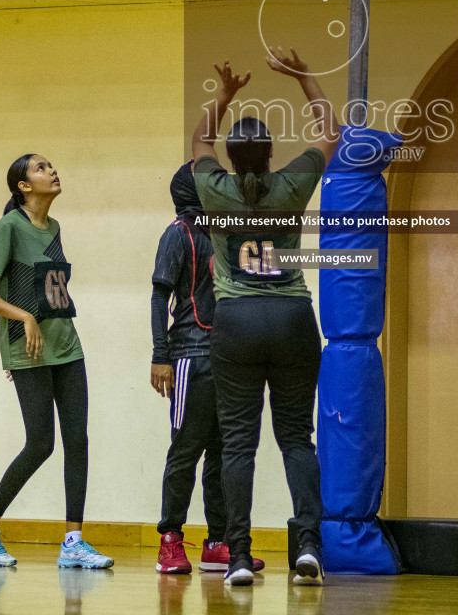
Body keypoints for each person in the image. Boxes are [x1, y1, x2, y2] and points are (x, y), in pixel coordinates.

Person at [190, 49, 339, 587]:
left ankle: (236, 556)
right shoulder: (291, 186)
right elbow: (331, 133)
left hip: (237, 320)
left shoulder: (214, 186)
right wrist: (305, 77)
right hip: (293, 317)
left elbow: (199, 143)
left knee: (237, 444)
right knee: (297, 439)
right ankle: (308, 549)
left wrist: (225, 96)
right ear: (273, 152)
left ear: (231, 157)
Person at [0, 154, 112, 570]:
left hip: (67, 346)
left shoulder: (55, 227)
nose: (52, 170)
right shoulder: (8, 228)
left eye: (51, 165)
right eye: (41, 167)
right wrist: (23, 317)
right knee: (41, 444)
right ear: (23, 186)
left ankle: (73, 542)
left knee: (77, 440)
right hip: (27, 349)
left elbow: (48, 287)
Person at [150, 161, 264, 576]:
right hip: (189, 356)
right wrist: (160, 354)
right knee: (186, 451)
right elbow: (157, 297)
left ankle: (219, 542)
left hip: (231, 356)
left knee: (223, 453)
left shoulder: (231, 234)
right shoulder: (177, 235)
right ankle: (170, 540)